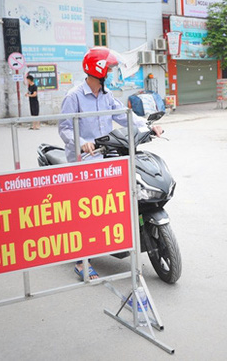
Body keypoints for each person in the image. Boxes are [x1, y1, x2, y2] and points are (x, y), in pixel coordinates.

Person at [59, 47, 162, 280]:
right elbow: (65, 128)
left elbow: (125, 116)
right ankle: (81, 261)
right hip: (83, 161)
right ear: (99, 69)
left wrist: (148, 127)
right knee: (88, 211)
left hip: (106, 157)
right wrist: (82, 142)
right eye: (110, 68)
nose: (112, 72)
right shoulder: (74, 96)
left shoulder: (106, 95)